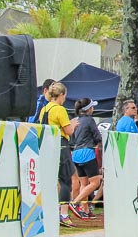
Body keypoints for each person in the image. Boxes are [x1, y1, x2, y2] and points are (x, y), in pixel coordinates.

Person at [38, 82, 78, 228]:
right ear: (61, 95)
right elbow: (69, 131)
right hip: (61, 145)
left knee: (51, 181)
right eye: (64, 96)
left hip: (47, 146)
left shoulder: (45, 108)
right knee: (66, 180)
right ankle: (63, 214)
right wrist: (73, 123)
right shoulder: (59, 110)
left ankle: (50, 211)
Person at [68, 98, 102, 219]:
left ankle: (85, 210)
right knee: (95, 182)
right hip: (87, 152)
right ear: (88, 109)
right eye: (92, 107)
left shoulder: (75, 121)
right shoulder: (89, 120)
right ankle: (75, 202)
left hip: (75, 153)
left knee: (84, 183)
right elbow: (97, 136)